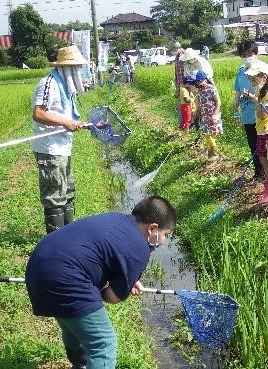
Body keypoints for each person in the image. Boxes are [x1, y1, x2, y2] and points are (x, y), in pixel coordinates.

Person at [25, 196, 177, 369]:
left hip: (38, 265)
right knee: (103, 343)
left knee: (73, 325)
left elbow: (102, 254)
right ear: (152, 229)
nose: (164, 241)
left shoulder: (116, 218)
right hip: (65, 277)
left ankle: (80, 364)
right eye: (166, 235)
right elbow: (112, 297)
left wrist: (125, 280)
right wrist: (122, 288)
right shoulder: (139, 249)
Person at [31, 45, 87, 234]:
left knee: (68, 192)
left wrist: (74, 123)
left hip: (63, 147)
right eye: (76, 67)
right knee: (54, 195)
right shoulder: (49, 83)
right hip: (50, 148)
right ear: (65, 67)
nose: (79, 70)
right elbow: (38, 113)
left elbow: (64, 114)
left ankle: (67, 235)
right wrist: (65, 123)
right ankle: (56, 240)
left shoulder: (65, 85)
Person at [232, 40, 268, 180]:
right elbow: (238, 90)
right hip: (248, 115)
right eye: (244, 55)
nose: (247, 57)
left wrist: (257, 100)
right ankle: (259, 174)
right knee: (254, 146)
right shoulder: (241, 71)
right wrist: (236, 103)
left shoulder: (265, 69)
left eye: (250, 54)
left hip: (264, 116)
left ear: (256, 54)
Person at [243, 61, 268, 203]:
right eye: (250, 79)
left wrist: (255, 102)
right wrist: (254, 99)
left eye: (254, 79)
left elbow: (263, 114)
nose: (251, 82)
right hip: (261, 131)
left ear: (264, 77)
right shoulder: (260, 92)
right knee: (263, 160)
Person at [188, 70, 222, 160]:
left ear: (204, 80)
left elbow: (218, 102)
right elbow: (199, 105)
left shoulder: (211, 88)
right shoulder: (200, 91)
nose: (197, 85)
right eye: (195, 83)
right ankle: (214, 152)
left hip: (213, 115)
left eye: (198, 82)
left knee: (211, 135)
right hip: (204, 117)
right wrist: (196, 114)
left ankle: (214, 153)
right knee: (207, 134)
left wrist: (215, 115)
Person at [171, 41, 185, 124]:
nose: (172, 51)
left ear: (177, 47)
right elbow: (177, 74)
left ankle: (188, 125)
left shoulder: (185, 56)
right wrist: (177, 88)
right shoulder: (176, 58)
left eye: (173, 48)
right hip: (180, 86)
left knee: (187, 106)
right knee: (180, 106)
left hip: (186, 86)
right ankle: (181, 124)